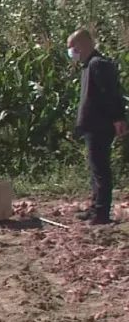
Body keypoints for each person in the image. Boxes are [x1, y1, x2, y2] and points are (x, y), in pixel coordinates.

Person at [67, 29, 127, 225]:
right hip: (92, 125)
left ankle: (101, 213)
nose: (71, 52)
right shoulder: (88, 65)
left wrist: (118, 118)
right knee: (95, 169)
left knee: (100, 169)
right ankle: (95, 208)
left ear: (82, 45)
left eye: (72, 48)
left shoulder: (98, 64)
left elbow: (111, 94)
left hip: (100, 125)